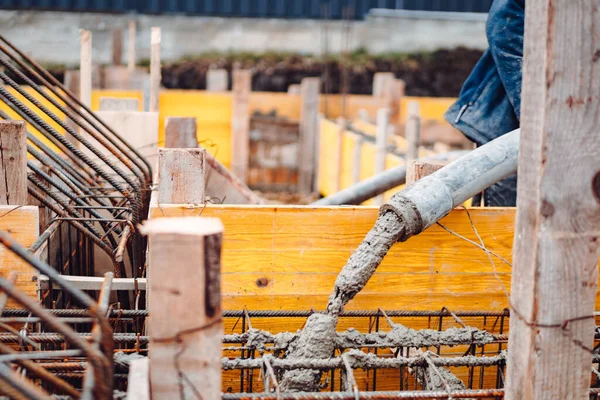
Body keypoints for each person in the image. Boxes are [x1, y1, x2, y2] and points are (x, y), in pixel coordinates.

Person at [444, 0, 525, 206]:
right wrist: (535, 117)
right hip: (510, 133)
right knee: (506, 229)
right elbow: (505, 19)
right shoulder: (513, 14)